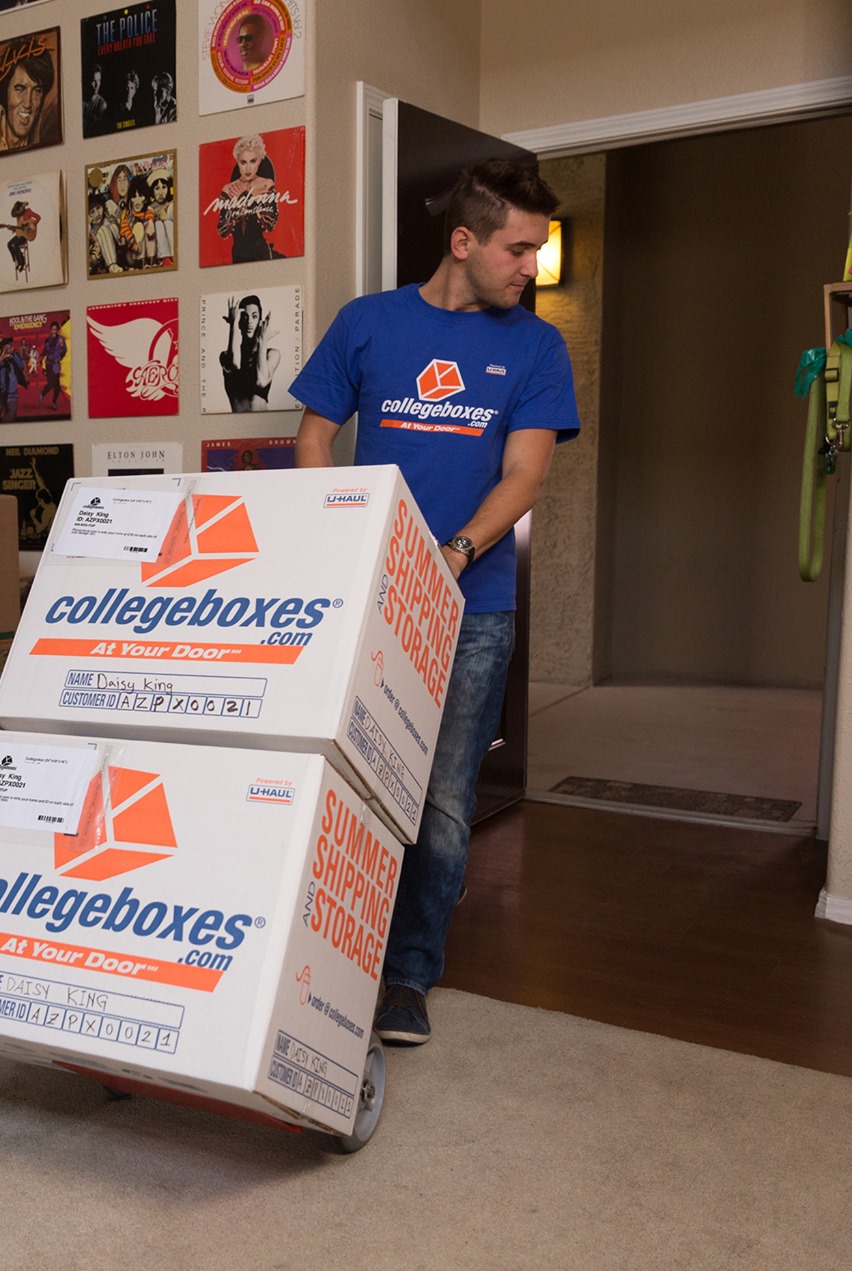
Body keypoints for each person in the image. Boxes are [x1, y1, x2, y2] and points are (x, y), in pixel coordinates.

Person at [291, 158, 577, 1047]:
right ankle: (333, 956)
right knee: (347, 776)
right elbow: (313, 437)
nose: (530, 266)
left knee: (444, 797)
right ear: (463, 241)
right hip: (366, 596)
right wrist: (342, 538)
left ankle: (409, 975)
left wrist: (449, 556)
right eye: (518, 248)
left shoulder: (537, 346)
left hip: (472, 606)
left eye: (535, 250)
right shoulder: (368, 323)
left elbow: (525, 474)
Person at [215, 133, 279, 263]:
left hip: (261, 254)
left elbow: (270, 223)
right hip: (237, 255)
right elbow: (223, 230)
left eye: (253, 161)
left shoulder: (266, 184)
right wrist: (242, 200)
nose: (248, 168)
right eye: (243, 162)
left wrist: (246, 197)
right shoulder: (228, 189)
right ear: (237, 162)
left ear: (260, 160)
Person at [0, 44, 54, 156]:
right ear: (4, 94)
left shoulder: (46, 150)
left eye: (37, 91)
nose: (28, 103)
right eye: (20, 89)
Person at [219, 294, 278, 412]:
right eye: (244, 317)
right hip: (238, 421)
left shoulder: (272, 354)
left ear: (260, 321)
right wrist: (233, 325)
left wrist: (263, 342)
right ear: (239, 321)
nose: (249, 321)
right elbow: (234, 364)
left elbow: (261, 380)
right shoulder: (225, 356)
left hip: (264, 421)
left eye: (254, 316)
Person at [0, 334, 27, 421]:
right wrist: (2, 358)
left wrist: (13, 354)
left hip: (13, 396)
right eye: (7, 346)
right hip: (1, 396)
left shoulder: (15, 358)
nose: (10, 347)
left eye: (10, 345)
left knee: (9, 420)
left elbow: (22, 365)